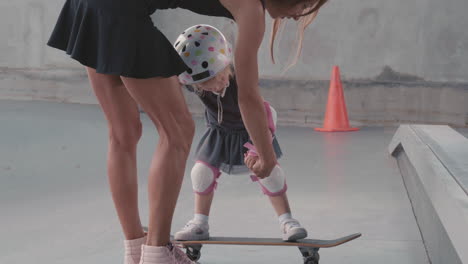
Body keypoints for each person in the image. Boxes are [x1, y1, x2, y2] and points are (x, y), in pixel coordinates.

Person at [47, 0, 328, 263]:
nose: (299, 14)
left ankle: (135, 250)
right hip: (120, 11)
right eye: (305, 4)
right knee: (178, 130)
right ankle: (158, 252)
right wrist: (266, 156)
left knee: (123, 132)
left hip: (87, 4)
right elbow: (248, 95)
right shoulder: (252, 7)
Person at [173, 24, 308, 243]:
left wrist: (259, 149)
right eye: (208, 84)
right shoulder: (193, 79)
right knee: (201, 173)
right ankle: (199, 223)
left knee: (271, 175)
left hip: (251, 131)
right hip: (219, 133)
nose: (219, 84)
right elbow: (173, 77)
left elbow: (268, 113)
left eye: (220, 76)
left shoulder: (240, 81)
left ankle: (288, 221)